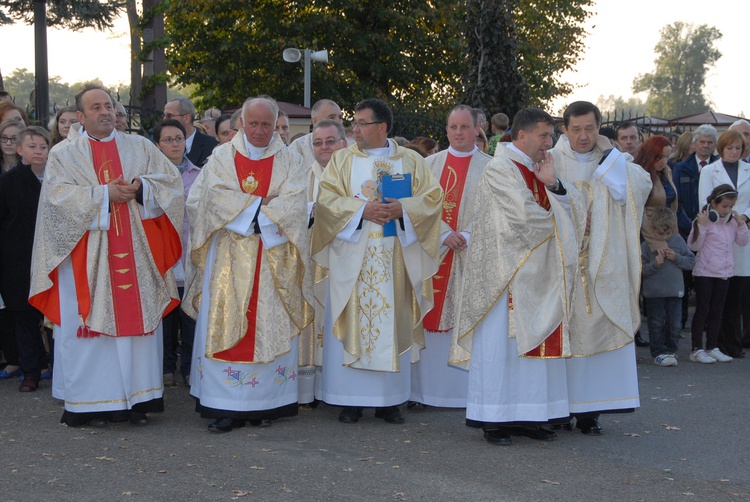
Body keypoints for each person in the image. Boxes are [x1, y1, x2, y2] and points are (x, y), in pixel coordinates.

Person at [29, 85, 184, 427]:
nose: (105, 112)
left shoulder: (139, 146)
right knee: (89, 334)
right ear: (80, 117)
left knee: (136, 333)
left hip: (136, 254)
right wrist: (103, 195)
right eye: (96, 107)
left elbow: (172, 185)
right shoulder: (64, 155)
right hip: (87, 259)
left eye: (109, 106)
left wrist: (142, 188)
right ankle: (89, 405)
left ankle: (136, 402)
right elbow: (56, 202)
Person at [452, 107, 585, 446]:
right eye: (543, 135)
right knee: (502, 348)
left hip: (540, 275)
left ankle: (532, 414)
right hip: (505, 276)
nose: (549, 142)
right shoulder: (500, 169)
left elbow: (574, 206)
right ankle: (494, 419)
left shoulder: (538, 168)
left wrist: (553, 184)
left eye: (551, 136)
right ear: (521, 135)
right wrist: (559, 226)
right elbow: (523, 217)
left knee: (535, 348)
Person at [183, 95, 312, 433]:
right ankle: (224, 407)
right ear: (241, 123)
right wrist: (260, 207)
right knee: (227, 321)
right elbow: (208, 198)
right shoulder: (222, 157)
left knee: (267, 322)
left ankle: (266, 403)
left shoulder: (289, 159)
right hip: (227, 258)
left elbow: (296, 203)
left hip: (272, 260)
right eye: (252, 123)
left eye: (266, 124)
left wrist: (249, 210)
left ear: (274, 125)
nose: (259, 130)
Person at [311, 98, 442, 425]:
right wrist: (361, 211)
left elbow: (432, 200)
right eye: (354, 122)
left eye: (361, 123)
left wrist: (404, 210)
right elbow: (324, 203)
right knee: (352, 320)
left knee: (393, 320)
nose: (354, 129)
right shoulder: (341, 161)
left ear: (381, 127)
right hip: (352, 259)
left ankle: (390, 402)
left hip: (395, 258)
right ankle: (349, 401)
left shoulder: (410, 160)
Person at [550, 101, 651, 435]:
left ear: (599, 127)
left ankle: (591, 411)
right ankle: (559, 409)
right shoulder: (552, 161)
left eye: (590, 128)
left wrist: (614, 164)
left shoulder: (613, 160)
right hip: (561, 263)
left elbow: (638, 187)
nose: (583, 135)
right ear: (564, 129)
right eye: (576, 129)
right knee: (564, 333)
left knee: (596, 330)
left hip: (601, 261)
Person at [411, 105, 490, 408]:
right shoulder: (427, 166)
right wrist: (444, 233)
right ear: (446, 131)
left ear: (476, 129)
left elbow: (495, 208)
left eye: (465, 127)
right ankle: (423, 393)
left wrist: (468, 234)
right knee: (428, 314)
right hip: (432, 253)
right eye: (453, 127)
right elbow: (415, 205)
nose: (459, 133)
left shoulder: (491, 167)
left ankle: (465, 393)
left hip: (471, 255)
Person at [298, 119, 348, 404]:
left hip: (344, 261)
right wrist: (312, 209)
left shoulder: (354, 176)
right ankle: (310, 391)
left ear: (343, 143)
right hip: (309, 259)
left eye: (330, 141)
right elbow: (291, 212)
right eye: (318, 142)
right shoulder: (302, 177)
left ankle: (340, 385)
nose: (324, 147)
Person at [0, 127, 51, 392]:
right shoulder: (9, 182)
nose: (38, 151)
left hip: (53, 258)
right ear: (19, 150)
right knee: (24, 316)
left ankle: (55, 366)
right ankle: (31, 371)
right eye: (32, 146)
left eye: (43, 146)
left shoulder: (57, 178)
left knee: (54, 316)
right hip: (18, 260)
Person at [153, 119, 200, 387]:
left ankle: (190, 368)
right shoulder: (149, 176)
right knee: (165, 314)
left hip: (190, 252)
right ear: (157, 145)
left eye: (179, 138)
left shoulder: (199, 174)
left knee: (190, 313)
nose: (174, 144)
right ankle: (165, 367)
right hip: (162, 255)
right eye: (168, 139)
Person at [698, 130, 750, 359]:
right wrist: (725, 218)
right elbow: (705, 200)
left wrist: (744, 218)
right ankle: (715, 343)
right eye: (729, 148)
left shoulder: (748, 170)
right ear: (721, 149)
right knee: (718, 296)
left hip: (741, 233)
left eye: (738, 148)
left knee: (737, 293)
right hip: (718, 235)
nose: (734, 152)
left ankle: (734, 343)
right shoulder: (709, 170)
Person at [688, 185, 748, 363]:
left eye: (731, 206)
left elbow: (743, 241)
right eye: (725, 206)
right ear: (714, 203)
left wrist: (742, 225)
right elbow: (693, 246)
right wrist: (703, 226)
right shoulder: (702, 220)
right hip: (705, 273)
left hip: (724, 272)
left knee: (717, 311)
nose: (728, 210)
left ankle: (712, 347)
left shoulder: (730, 222)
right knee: (703, 311)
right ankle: (696, 349)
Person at [641, 208, 695, 366]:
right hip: (654, 292)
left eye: (668, 233)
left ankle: (671, 350)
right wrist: (654, 265)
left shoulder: (678, 241)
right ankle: (658, 352)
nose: (665, 237)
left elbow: (691, 262)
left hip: (674, 291)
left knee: (675, 323)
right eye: (660, 234)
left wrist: (676, 257)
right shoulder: (646, 245)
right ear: (652, 229)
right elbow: (640, 269)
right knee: (656, 323)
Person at [635, 135, 677, 251]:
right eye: (660, 157)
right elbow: (639, 212)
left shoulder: (666, 172)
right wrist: (655, 242)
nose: (664, 161)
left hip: (667, 232)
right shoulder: (639, 174)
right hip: (647, 236)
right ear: (650, 155)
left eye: (667, 157)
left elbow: (672, 207)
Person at [289, 99, 344, 171]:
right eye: (331, 117)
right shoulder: (298, 147)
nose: (338, 121)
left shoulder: (352, 145)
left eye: (340, 117)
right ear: (315, 121)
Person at [164, 97, 218, 167]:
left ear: (187, 118)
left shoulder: (212, 145)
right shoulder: (161, 146)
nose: (164, 119)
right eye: (164, 115)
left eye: (169, 116)